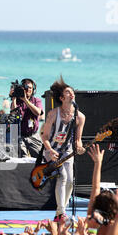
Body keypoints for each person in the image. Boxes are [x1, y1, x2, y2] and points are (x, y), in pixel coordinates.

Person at [41, 76, 86, 220]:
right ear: (61, 97)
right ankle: (61, 212)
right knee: (63, 177)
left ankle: (61, 212)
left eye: (72, 91)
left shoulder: (80, 117)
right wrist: (50, 150)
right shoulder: (53, 114)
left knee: (71, 181)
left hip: (68, 152)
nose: (71, 93)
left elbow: (78, 139)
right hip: (52, 150)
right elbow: (44, 136)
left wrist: (79, 147)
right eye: (67, 92)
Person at [10, 78, 44, 157]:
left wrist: (25, 100)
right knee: (23, 160)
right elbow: (13, 114)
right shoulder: (17, 101)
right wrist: (14, 98)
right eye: (26, 87)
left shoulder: (36, 100)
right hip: (20, 136)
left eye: (30, 88)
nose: (28, 89)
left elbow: (38, 112)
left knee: (40, 158)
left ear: (33, 90)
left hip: (33, 135)